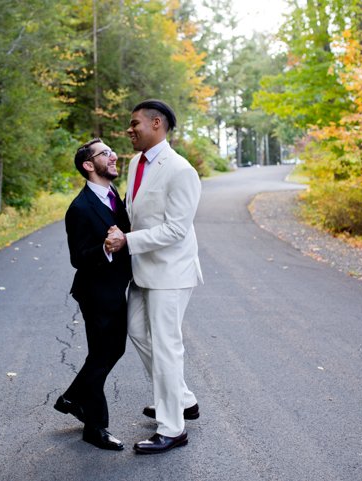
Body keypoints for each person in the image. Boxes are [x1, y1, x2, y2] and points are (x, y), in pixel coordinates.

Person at [106, 99, 203, 454]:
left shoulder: (181, 171)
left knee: (166, 345)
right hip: (143, 270)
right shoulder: (135, 163)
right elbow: (136, 211)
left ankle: (172, 427)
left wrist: (127, 241)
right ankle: (184, 399)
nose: (129, 130)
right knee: (136, 332)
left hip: (171, 272)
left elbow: (177, 229)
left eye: (135, 124)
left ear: (157, 123)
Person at [54, 138, 132, 451]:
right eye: (105, 153)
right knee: (102, 355)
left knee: (110, 352)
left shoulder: (115, 195)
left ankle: (72, 397)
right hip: (95, 293)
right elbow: (78, 258)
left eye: (112, 151)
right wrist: (105, 247)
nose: (113, 156)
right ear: (89, 165)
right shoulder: (80, 208)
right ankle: (94, 427)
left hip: (115, 288)